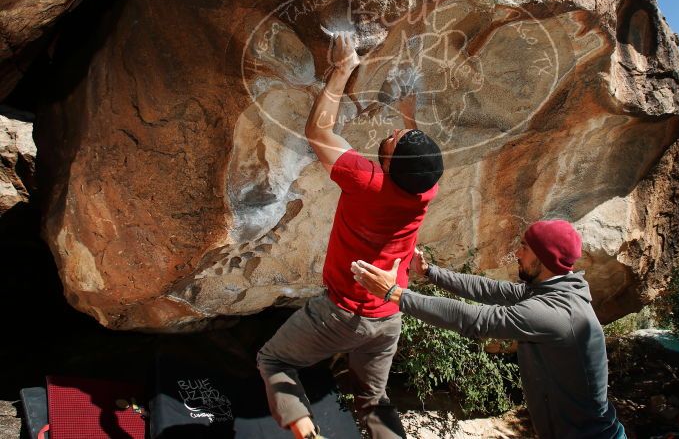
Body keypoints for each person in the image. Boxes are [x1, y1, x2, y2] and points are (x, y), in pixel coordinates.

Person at [256, 32, 444, 439]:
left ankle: (306, 434)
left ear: (389, 167)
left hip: (343, 314)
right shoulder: (424, 188)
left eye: (393, 142)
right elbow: (423, 159)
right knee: (373, 398)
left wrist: (343, 69)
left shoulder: (368, 181)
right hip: (388, 318)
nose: (390, 134)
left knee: (273, 361)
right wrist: (411, 117)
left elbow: (318, 132)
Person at [351, 219, 627, 439]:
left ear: (544, 259)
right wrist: (430, 272)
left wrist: (396, 294)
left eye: (525, 247)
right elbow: (490, 290)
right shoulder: (550, 289)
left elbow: (475, 319)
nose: (517, 253)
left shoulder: (555, 313)